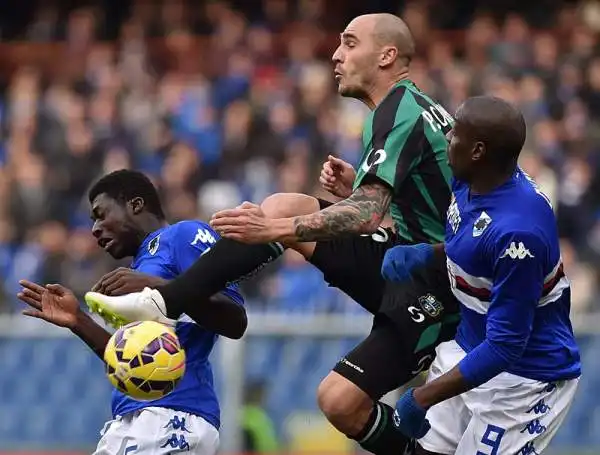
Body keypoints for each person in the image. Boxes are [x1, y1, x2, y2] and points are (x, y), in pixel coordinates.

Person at [84, 14, 458, 455]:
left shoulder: (398, 111)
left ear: (387, 55)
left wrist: (271, 231)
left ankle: (167, 298)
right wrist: (358, 185)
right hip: (407, 258)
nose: (336, 55)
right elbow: (430, 209)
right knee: (284, 203)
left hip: (438, 284)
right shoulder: (413, 110)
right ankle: (166, 299)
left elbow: (366, 213)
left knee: (339, 400)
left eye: (349, 44)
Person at [386, 96, 581, 454]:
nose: (447, 138)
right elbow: (478, 244)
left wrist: (423, 397)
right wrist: (426, 253)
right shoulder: (469, 179)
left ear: (477, 150)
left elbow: (506, 345)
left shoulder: (519, 233)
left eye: (455, 133)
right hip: (468, 346)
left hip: (524, 379)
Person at [17, 169, 247, 455]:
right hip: (134, 419)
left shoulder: (183, 235)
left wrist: (157, 285)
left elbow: (236, 319)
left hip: (173, 416)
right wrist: (78, 321)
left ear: (135, 205)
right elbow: (130, 362)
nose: (95, 229)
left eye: (101, 214)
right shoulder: (138, 269)